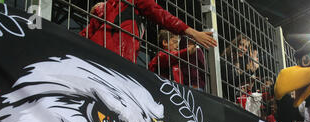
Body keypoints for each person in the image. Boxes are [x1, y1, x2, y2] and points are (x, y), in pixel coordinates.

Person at [80, 0, 217, 64]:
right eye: (174, 41)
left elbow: (87, 33)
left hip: (94, 56)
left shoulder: (107, 6)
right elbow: (160, 15)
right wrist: (191, 32)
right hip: (116, 60)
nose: (176, 45)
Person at [220, 35, 259, 104]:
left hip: (232, 100)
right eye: (241, 45)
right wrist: (250, 71)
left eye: (246, 47)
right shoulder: (227, 58)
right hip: (223, 99)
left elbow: (235, 83)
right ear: (235, 44)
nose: (243, 49)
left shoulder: (238, 62)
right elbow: (231, 82)